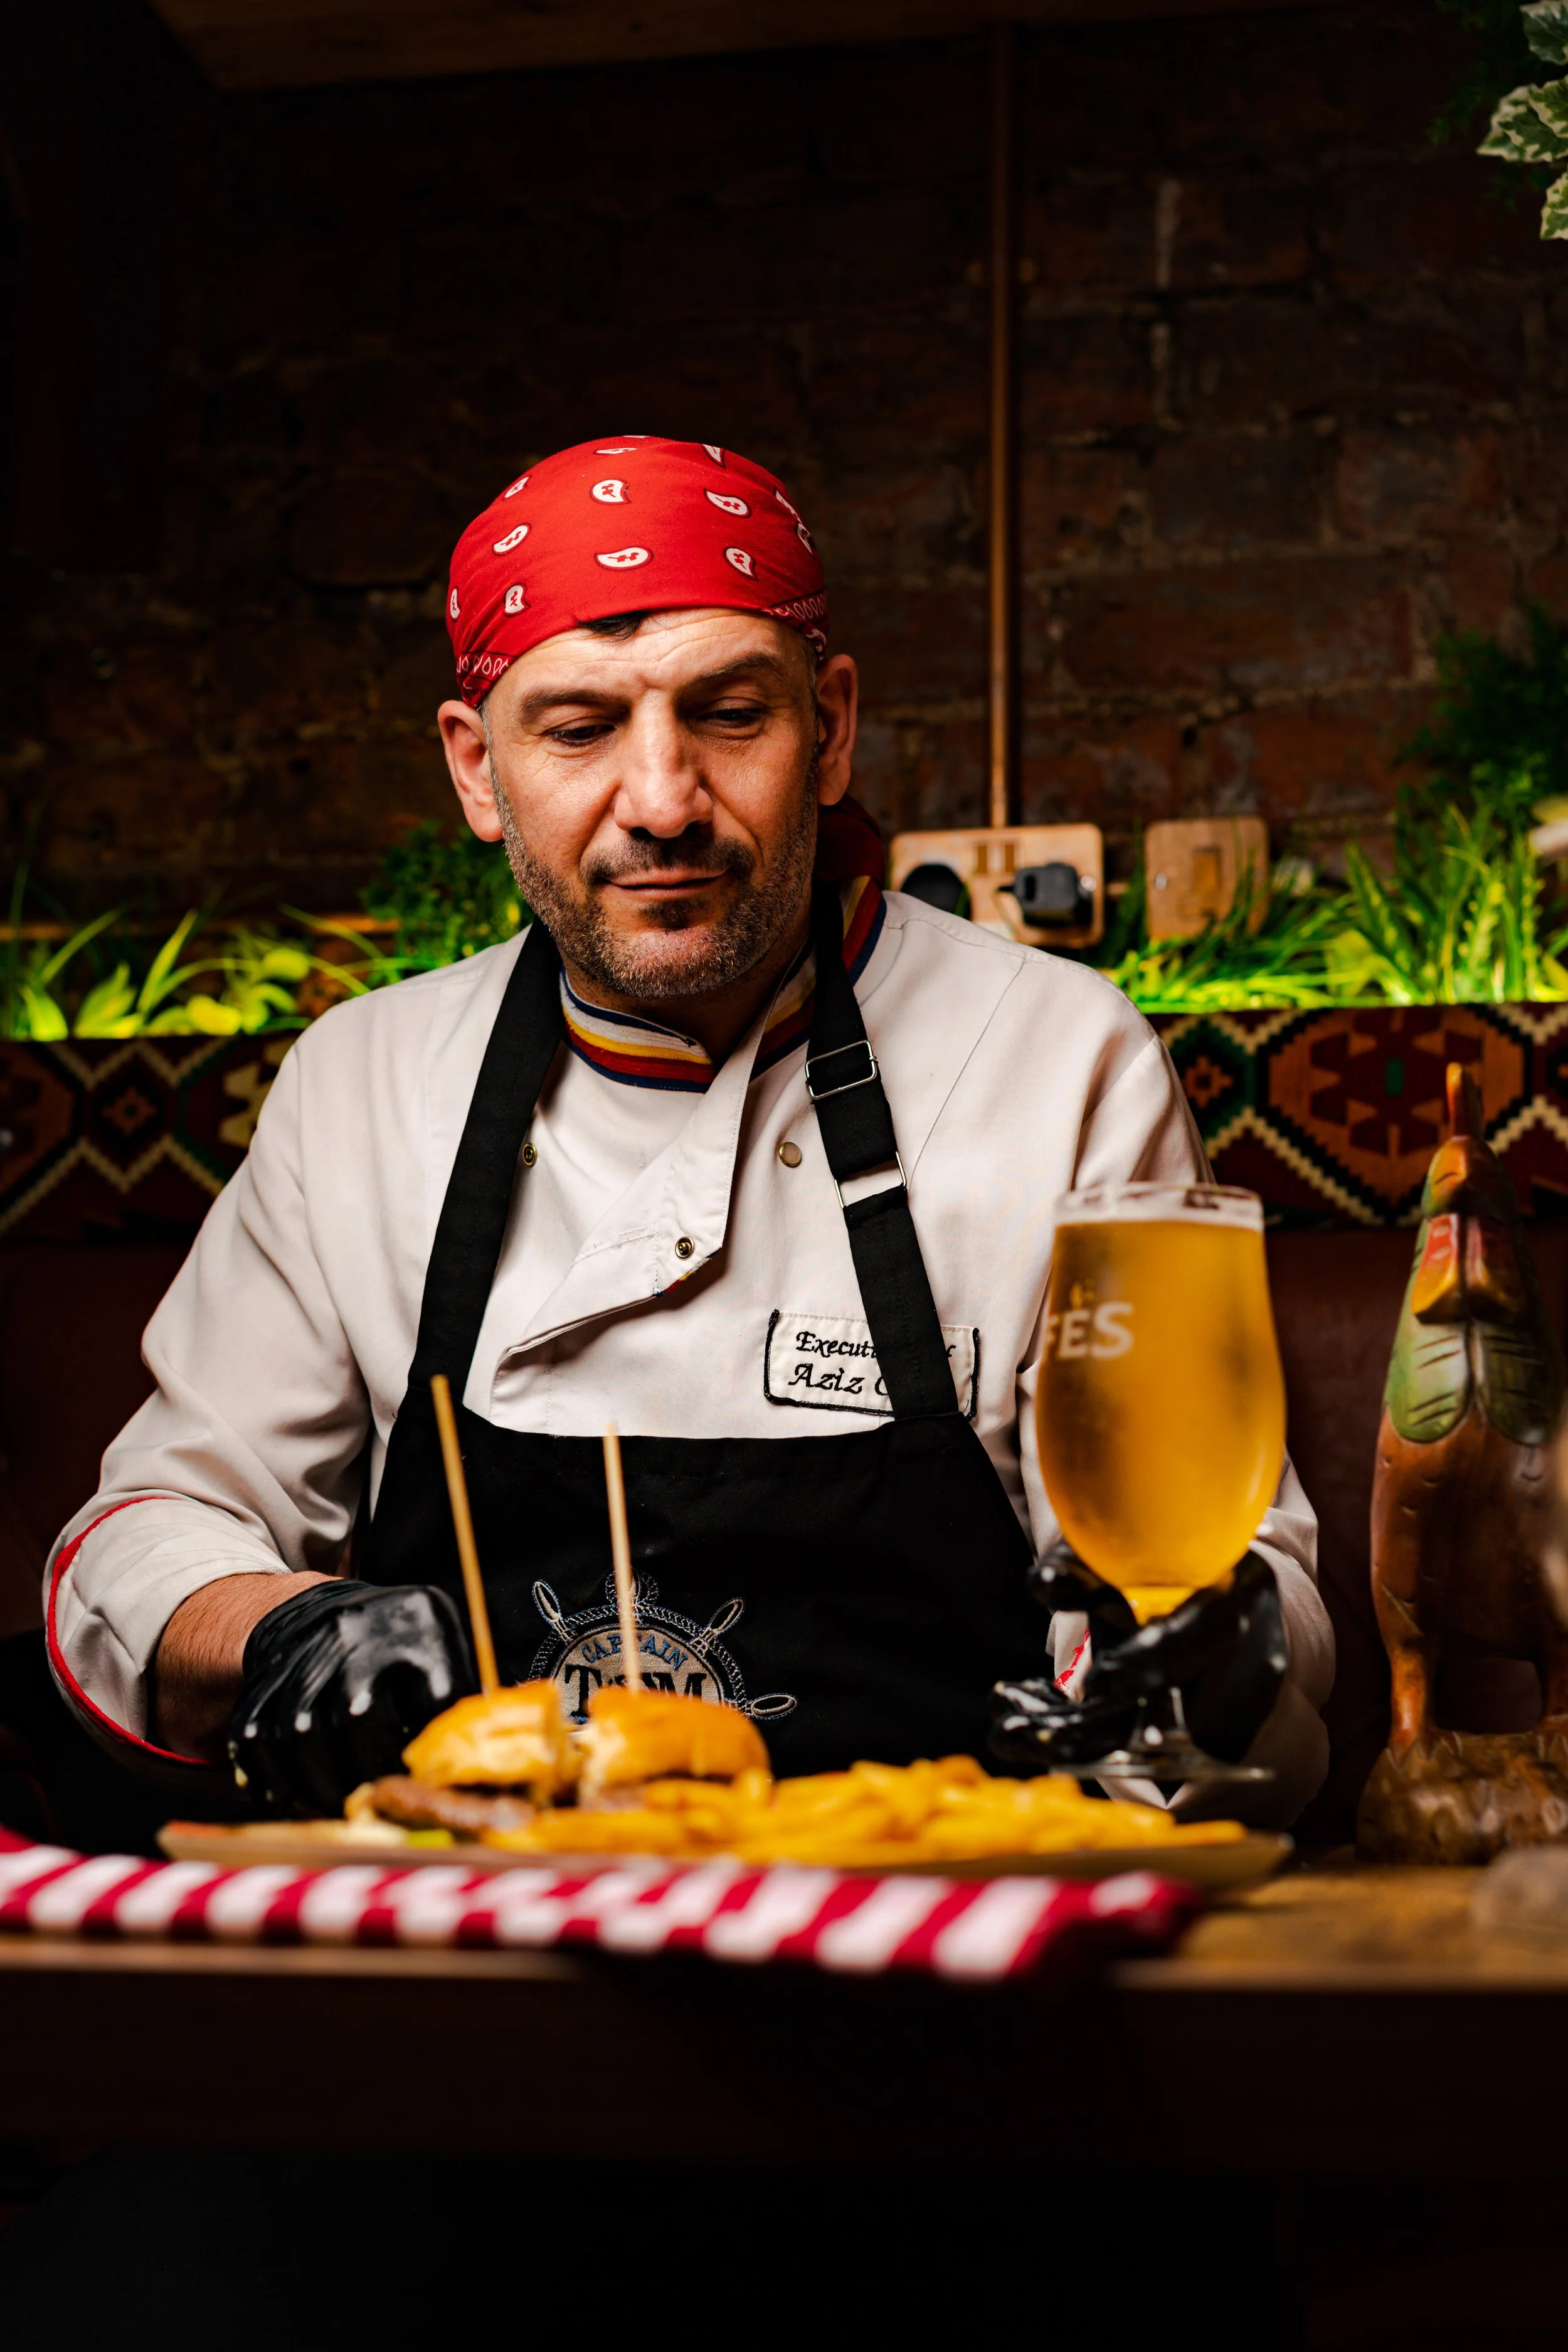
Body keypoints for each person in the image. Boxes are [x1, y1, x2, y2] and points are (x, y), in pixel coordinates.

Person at [45, 433, 1332, 1826]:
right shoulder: (362, 1084)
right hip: (477, 1963)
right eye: (580, 728)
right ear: (477, 771)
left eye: (728, 715)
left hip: (936, 1946)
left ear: (828, 729)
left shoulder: (1054, 1055)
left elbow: (1239, 1579)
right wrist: (279, 1629)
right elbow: (139, 1541)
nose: (660, 803)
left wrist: (1195, 1647)